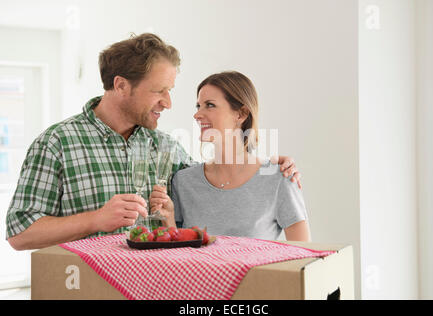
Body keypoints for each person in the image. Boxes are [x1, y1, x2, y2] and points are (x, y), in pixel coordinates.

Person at [5, 33, 301, 250]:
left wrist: (270, 164)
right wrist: (95, 220)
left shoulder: (168, 147)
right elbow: (20, 234)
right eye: (159, 91)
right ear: (121, 85)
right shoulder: (57, 143)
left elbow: (215, 179)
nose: (168, 103)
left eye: (170, 90)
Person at [150, 71, 311, 241]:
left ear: (241, 114)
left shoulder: (279, 177)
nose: (197, 115)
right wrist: (168, 221)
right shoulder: (184, 181)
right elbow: (181, 252)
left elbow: (304, 255)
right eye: (198, 106)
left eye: (210, 105)